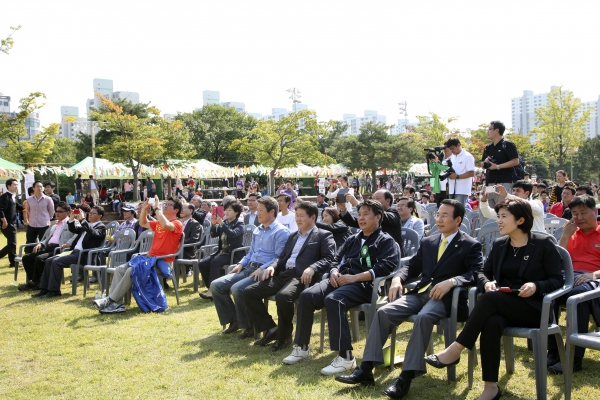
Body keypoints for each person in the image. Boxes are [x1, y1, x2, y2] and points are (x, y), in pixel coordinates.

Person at [335, 199, 483, 399]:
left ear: (458, 220)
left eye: (444, 215)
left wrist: (453, 281)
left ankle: (405, 377)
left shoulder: (470, 244)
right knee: (384, 312)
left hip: (447, 299)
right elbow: (411, 267)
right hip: (421, 292)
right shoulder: (429, 241)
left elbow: (476, 273)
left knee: (423, 317)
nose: (438, 219)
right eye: (437, 214)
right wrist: (398, 278)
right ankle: (365, 370)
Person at [425, 199, 563, 400]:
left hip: (534, 308)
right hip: (502, 306)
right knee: (491, 321)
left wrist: (536, 286)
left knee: (490, 300)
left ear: (521, 220)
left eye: (504, 217)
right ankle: (491, 388)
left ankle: (456, 349)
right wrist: (487, 282)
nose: (498, 221)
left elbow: (558, 279)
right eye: (498, 216)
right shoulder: (500, 245)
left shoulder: (543, 244)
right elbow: (482, 273)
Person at [283, 199, 400, 375]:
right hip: (340, 280)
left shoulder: (386, 241)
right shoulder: (353, 239)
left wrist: (354, 278)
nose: (360, 218)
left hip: (365, 285)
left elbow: (385, 267)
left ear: (378, 217)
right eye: (359, 214)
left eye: (365, 214)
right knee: (307, 295)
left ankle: (346, 357)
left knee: (334, 299)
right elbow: (335, 259)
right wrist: (334, 272)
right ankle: (302, 347)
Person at [244, 202, 336, 352]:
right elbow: (281, 257)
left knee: (283, 296)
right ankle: (271, 328)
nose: (298, 219)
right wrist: (272, 267)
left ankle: (284, 336)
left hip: (301, 276)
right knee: (249, 292)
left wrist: (312, 268)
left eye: (301, 216)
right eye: (296, 216)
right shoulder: (293, 236)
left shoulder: (323, 235)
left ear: (313, 217)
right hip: (283, 274)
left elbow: (329, 258)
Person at [210, 196, 290, 338]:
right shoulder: (258, 230)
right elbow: (251, 253)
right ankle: (234, 320)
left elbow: (279, 258)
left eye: (261, 210)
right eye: (257, 210)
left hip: (263, 272)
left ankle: (249, 326)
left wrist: (263, 268)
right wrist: (241, 263)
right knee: (216, 285)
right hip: (248, 268)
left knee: (237, 288)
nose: (257, 213)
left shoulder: (281, 232)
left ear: (272, 212)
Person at [93, 196, 183, 313]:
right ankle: (117, 305)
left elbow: (166, 225)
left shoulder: (177, 223)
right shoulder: (158, 223)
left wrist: (156, 209)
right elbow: (143, 222)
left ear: (176, 210)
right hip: (149, 259)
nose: (165, 205)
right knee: (120, 269)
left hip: (162, 262)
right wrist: (145, 209)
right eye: (165, 203)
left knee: (132, 271)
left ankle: (110, 300)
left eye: (169, 204)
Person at [547, 195, 600, 374]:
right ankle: (554, 351)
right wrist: (565, 236)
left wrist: (594, 274)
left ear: (596, 212)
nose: (578, 218)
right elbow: (556, 262)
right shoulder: (570, 233)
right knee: (548, 294)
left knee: (576, 298)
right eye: (575, 213)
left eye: (583, 213)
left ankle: (574, 358)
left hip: (594, 279)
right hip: (568, 276)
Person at [32, 205, 107, 298]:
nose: (90, 215)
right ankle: (44, 289)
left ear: (100, 216)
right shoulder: (87, 225)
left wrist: (83, 220)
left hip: (84, 255)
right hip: (74, 252)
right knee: (49, 260)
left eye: (93, 213)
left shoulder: (101, 227)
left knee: (56, 262)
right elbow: (74, 229)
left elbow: (93, 233)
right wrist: (71, 219)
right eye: (90, 213)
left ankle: (54, 291)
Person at [17, 202, 73, 291]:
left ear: (68, 212)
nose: (57, 213)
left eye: (60, 211)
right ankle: (37, 282)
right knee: (27, 258)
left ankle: (35, 282)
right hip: (49, 247)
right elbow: (48, 239)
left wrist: (68, 243)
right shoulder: (55, 225)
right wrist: (40, 243)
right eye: (56, 211)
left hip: (59, 249)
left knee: (40, 258)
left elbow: (76, 236)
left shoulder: (71, 223)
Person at [199, 201, 245, 299]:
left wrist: (221, 224)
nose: (226, 212)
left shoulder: (239, 223)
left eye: (230, 210)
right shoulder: (225, 222)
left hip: (232, 253)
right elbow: (214, 234)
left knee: (215, 262)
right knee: (202, 264)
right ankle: (211, 287)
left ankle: (212, 291)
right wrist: (213, 224)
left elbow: (232, 234)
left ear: (236, 212)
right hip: (221, 252)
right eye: (226, 210)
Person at [340, 189, 405, 257]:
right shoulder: (371, 217)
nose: (373, 201)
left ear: (388, 201)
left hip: (390, 254)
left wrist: (358, 203)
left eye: (377, 198)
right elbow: (354, 222)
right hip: (371, 253)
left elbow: (384, 216)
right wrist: (343, 209)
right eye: (373, 198)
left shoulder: (394, 213)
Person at [481, 121, 521, 208]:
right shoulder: (488, 147)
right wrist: (485, 163)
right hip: (489, 183)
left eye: (490, 129)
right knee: (486, 211)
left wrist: (497, 166)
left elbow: (516, 161)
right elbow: (482, 164)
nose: (487, 131)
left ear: (497, 130)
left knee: (503, 209)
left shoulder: (508, 144)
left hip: (504, 183)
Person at [480, 180, 545, 232]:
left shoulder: (537, 203)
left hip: (538, 243)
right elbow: (488, 213)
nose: (514, 193)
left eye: (518, 191)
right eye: (513, 190)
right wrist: (483, 201)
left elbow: (528, 207)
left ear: (527, 193)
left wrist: (507, 196)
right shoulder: (509, 207)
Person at [444, 138, 475, 206]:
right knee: (452, 212)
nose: (452, 151)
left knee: (459, 212)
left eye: (453, 148)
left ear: (459, 145)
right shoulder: (453, 157)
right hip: (451, 189)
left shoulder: (467, 156)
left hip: (462, 190)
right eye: (450, 149)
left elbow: (472, 173)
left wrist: (457, 176)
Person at [0, 179, 23, 267]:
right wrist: (4, 220)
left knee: (11, 243)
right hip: (7, 223)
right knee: (12, 243)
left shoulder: (13, 196)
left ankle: (13, 262)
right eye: (14, 185)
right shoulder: (5, 196)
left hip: (13, 223)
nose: (16, 186)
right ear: (8, 186)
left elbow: (18, 206)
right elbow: (0, 209)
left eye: (17, 185)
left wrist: (27, 206)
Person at [25, 181, 55, 247]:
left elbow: (51, 211)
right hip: (32, 224)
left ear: (43, 188)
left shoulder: (48, 199)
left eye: (41, 187)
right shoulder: (29, 199)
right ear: (33, 188)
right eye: (37, 187)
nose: (39, 188)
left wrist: (46, 219)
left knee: (43, 244)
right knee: (29, 244)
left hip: (44, 225)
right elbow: (28, 210)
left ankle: (41, 256)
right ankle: (30, 256)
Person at [178, 203, 202, 277]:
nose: (181, 210)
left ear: (191, 210)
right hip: (177, 248)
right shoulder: (178, 222)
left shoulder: (194, 224)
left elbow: (193, 239)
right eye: (180, 208)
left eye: (183, 208)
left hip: (188, 251)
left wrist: (178, 242)